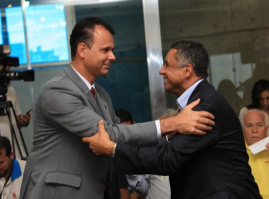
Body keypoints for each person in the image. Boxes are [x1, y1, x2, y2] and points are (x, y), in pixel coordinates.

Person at [19, 17, 214, 199]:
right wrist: (172, 124)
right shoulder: (58, 90)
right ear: (82, 50)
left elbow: (125, 134)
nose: (112, 56)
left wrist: (167, 133)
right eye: (105, 50)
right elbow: (108, 134)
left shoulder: (101, 94)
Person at [83, 39, 262, 199]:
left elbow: (168, 159)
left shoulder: (204, 105)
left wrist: (112, 149)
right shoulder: (197, 102)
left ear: (187, 71)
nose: (161, 71)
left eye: (167, 65)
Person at [0, 56, 31, 159]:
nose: (5, 75)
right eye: (2, 71)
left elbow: (16, 121)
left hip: (14, 151)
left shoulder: (10, 90)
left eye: (7, 72)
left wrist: (23, 122)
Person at [241, 108, 269, 199]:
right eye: (249, 126)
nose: (254, 130)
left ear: (267, 128)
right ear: (243, 129)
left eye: (259, 125)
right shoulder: (237, 154)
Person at [239, 79, 269, 146]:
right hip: (254, 154)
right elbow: (242, 138)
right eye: (261, 99)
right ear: (256, 98)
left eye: (268, 98)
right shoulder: (246, 112)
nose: (265, 102)